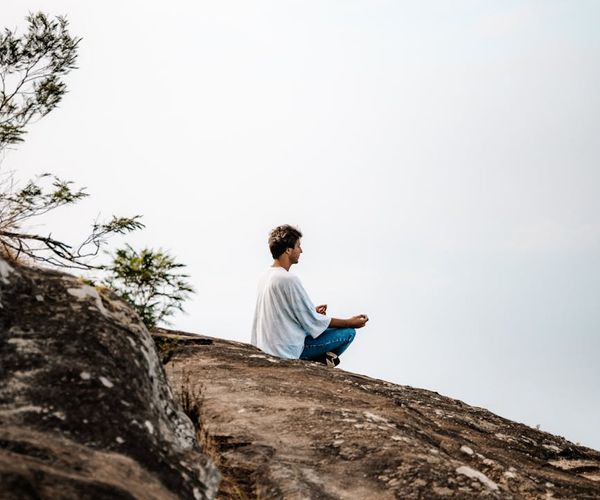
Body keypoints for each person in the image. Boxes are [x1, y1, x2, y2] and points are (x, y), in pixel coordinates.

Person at [251, 224, 369, 366]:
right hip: (285, 351)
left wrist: (312, 311)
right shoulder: (288, 279)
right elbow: (313, 321)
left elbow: (282, 314)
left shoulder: (264, 277)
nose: (301, 250)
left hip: (265, 346)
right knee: (348, 333)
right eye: (298, 246)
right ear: (288, 250)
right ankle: (318, 362)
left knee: (325, 327)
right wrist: (350, 322)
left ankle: (324, 359)